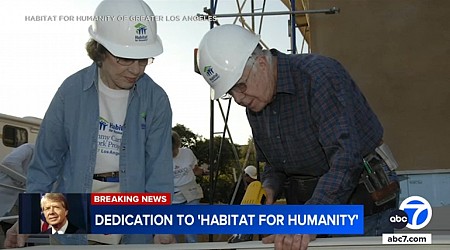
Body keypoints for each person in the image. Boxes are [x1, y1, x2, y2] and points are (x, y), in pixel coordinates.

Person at [197, 24, 400, 249]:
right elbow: (275, 165)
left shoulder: (319, 76)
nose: (238, 99)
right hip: (307, 207)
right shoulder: (255, 102)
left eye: (240, 86)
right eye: (230, 92)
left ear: (261, 64)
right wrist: (269, 189)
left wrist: (309, 219)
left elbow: (346, 159)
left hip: (361, 206)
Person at [5, 0, 173, 247]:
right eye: (126, 58)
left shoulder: (156, 99)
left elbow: (159, 169)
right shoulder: (70, 92)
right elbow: (46, 162)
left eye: (144, 59)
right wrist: (30, 216)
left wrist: (161, 223)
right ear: (100, 50)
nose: (136, 69)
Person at [171, 130, 204, 243]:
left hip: (190, 193)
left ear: (178, 145)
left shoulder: (187, 153)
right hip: (173, 197)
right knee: (172, 231)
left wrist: (204, 171)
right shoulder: (159, 159)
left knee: (190, 228)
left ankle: (192, 246)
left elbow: (195, 170)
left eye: (174, 149)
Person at [0, 143, 34, 247]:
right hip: (10, 196)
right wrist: (25, 181)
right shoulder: (29, 148)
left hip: (19, 200)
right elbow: (9, 163)